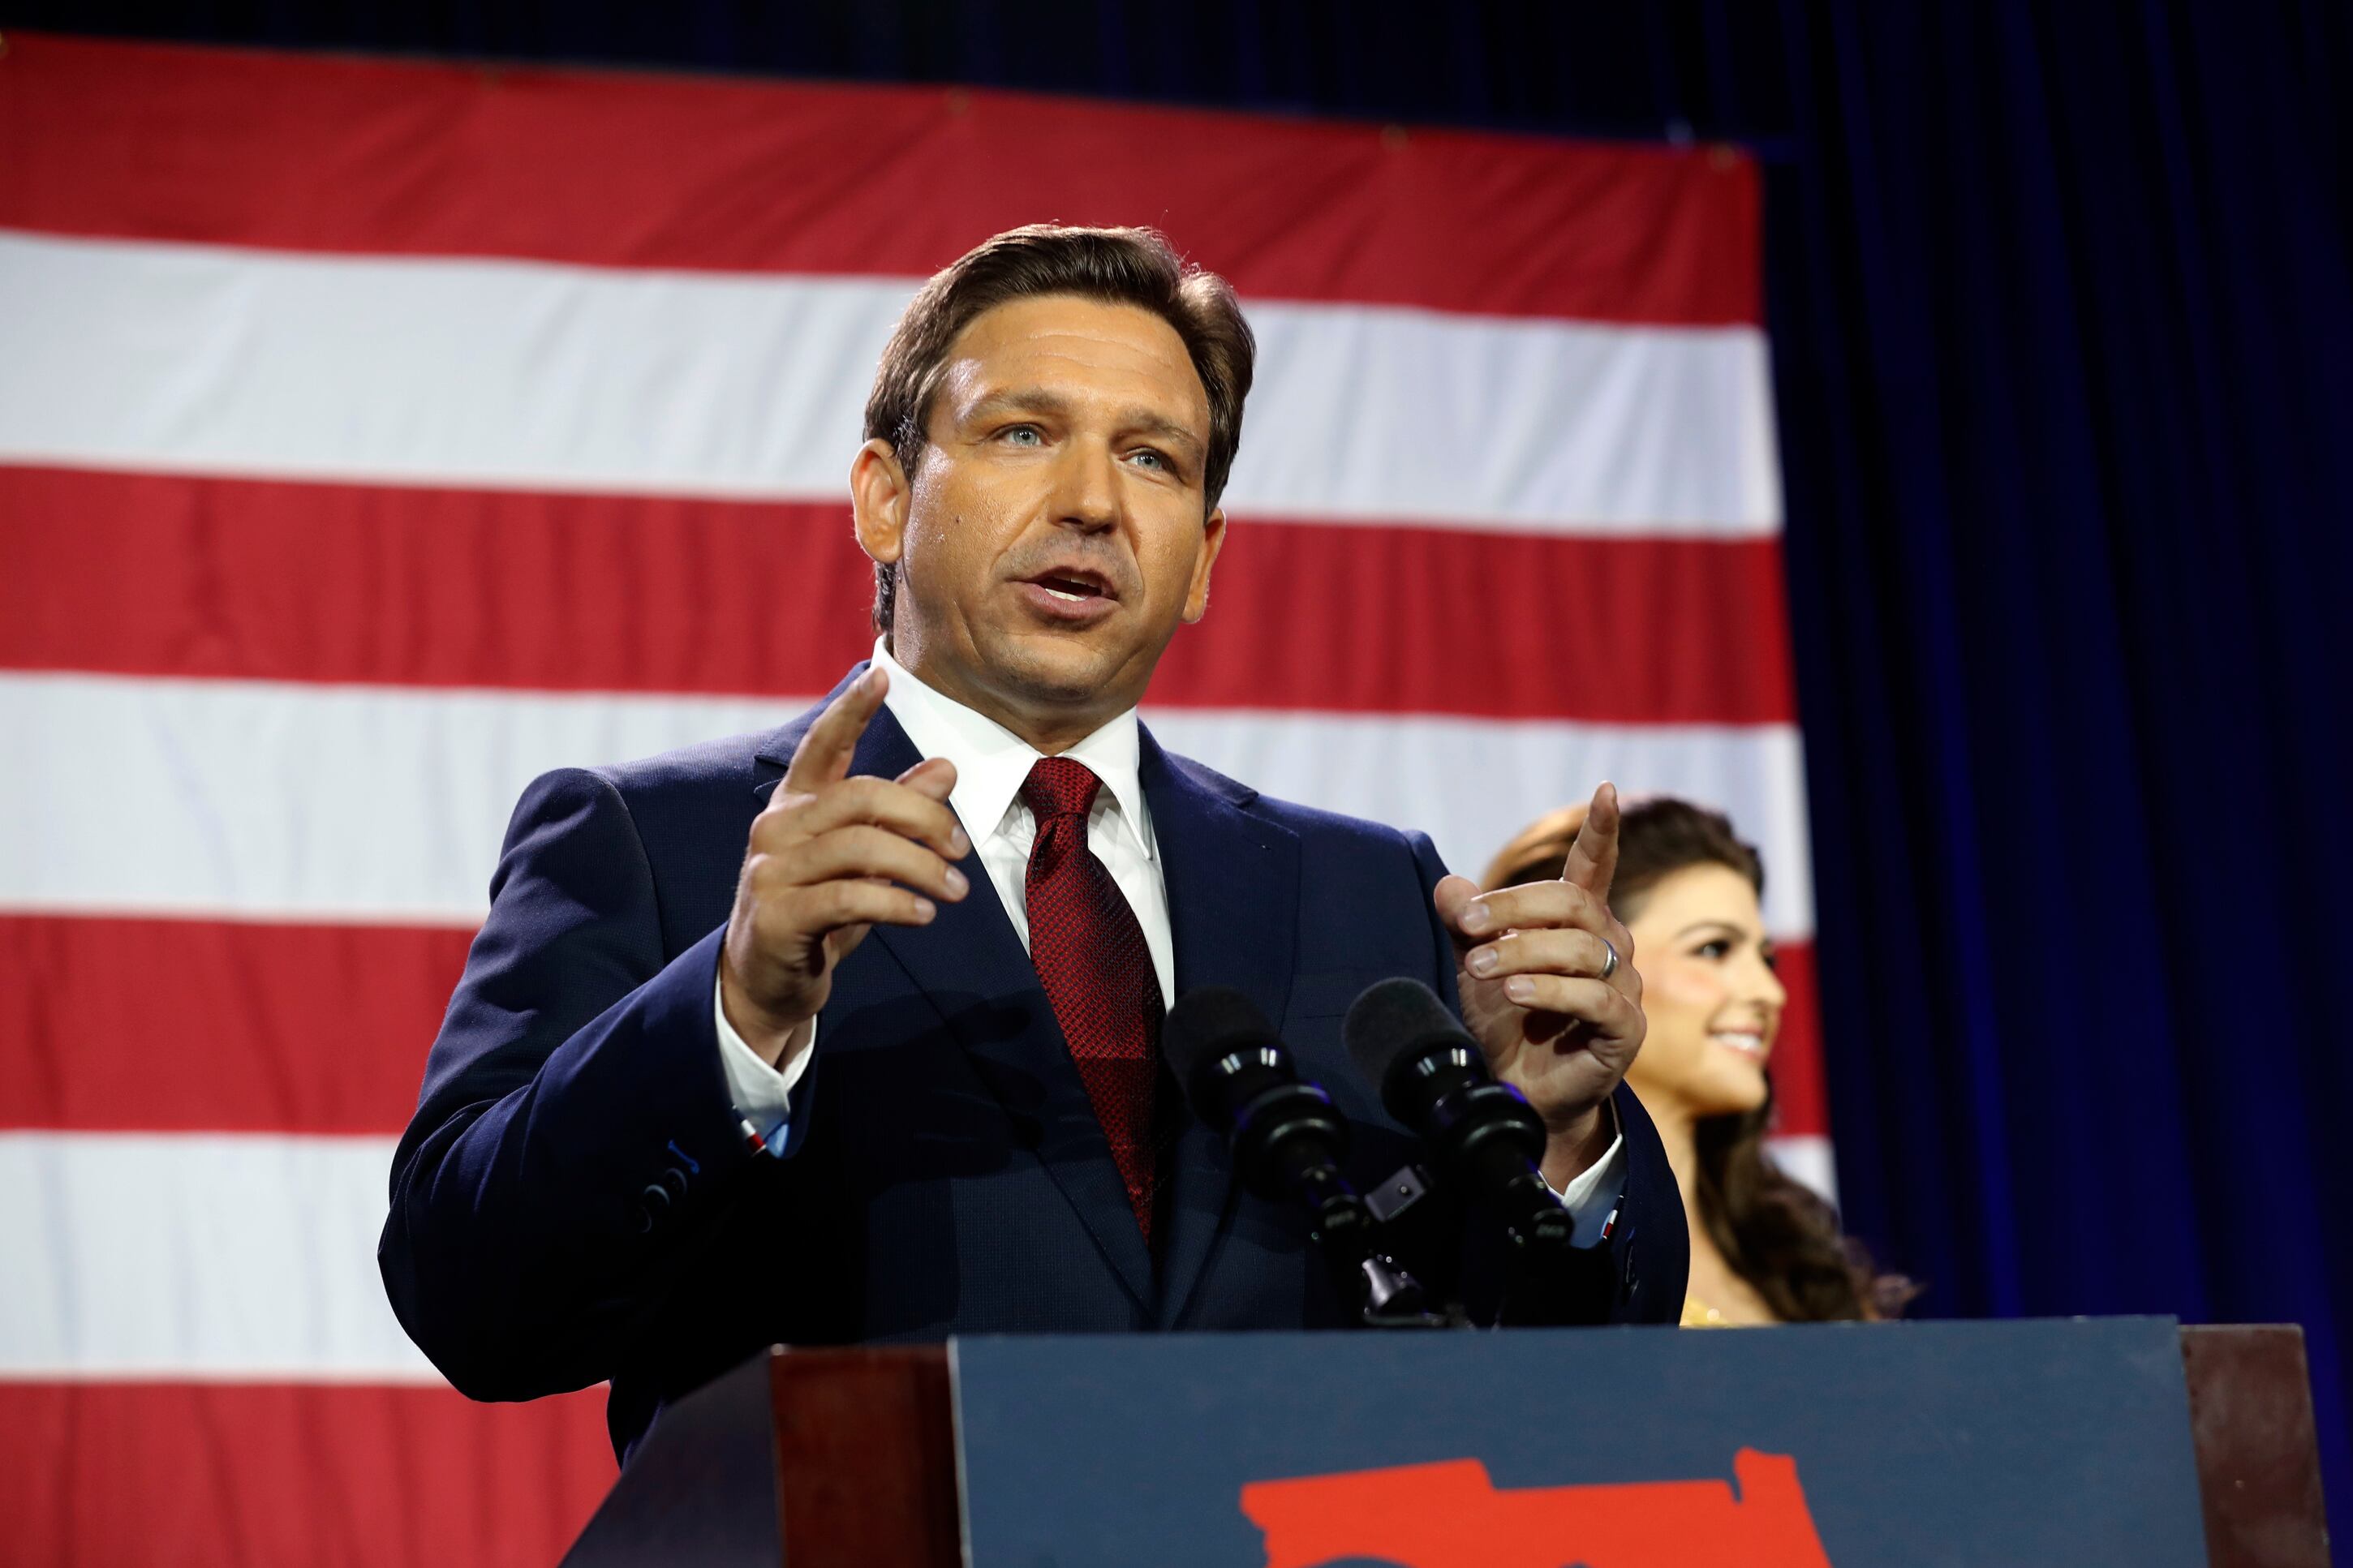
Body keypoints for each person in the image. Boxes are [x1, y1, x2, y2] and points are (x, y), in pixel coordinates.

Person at [380, 225, 1687, 1459]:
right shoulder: (664, 844)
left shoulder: (1372, 891)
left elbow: (1547, 1389)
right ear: (884, 498)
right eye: (1022, 433)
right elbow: (475, 1304)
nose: (1092, 503)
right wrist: (734, 1010)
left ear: (1202, 560)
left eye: (1154, 459)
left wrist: (1555, 1140)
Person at [1485, 797, 1908, 1326]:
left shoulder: (1800, 1261)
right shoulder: (1479, 1242)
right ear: (1580, 969)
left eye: (1765, 957)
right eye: (1713, 949)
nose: (1770, 992)